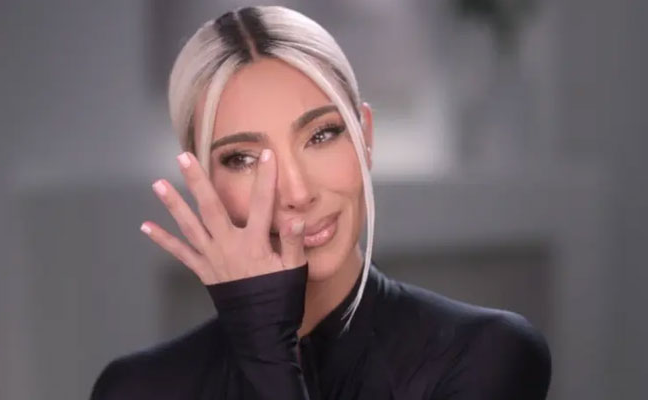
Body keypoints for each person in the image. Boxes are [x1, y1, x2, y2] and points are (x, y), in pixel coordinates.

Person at [89, 5, 551, 400]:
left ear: (365, 137)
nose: (296, 193)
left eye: (321, 135)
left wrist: (266, 354)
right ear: (203, 184)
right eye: (243, 159)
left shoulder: (486, 354)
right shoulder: (139, 389)